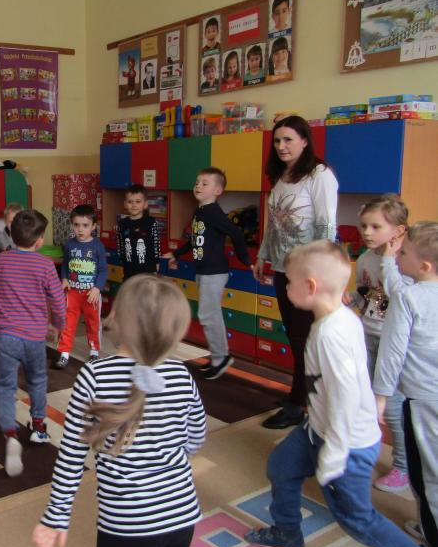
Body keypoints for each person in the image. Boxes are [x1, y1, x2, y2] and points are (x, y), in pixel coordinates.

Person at [244, 241, 438, 547]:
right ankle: (287, 531)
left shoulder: (331, 334)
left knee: (359, 521)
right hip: (318, 428)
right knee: (281, 467)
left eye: (289, 281)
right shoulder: (336, 319)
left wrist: (333, 455)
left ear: (310, 286)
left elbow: (346, 400)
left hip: (346, 444)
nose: (285, 287)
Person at [33, 275, 205, 547]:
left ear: (118, 319)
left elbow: (72, 453)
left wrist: (57, 514)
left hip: (126, 522)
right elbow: (195, 438)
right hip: (181, 513)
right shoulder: (181, 373)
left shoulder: (94, 375)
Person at [252, 115, 338, 429]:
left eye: (288, 139)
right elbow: (273, 223)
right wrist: (262, 256)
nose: (281, 146)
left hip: (307, 272)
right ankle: (300, 393)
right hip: (282, 267)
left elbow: (326, 225)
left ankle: (298, 403)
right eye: (277, 140)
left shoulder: (319, 174)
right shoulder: (281, 175)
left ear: (304, 141)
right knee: (294, 334)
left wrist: (320, 267)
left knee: (304, 339)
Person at [0, 210, 65, 477]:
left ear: (11, 234)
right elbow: (58, 302)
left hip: (7, 336)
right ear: (39, 240)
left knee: (5, 385)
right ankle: (38, 427)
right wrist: (57, 326)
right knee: (37, 380)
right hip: (35, 337)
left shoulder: (0, 261)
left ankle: (10, 433)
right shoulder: (45, 265)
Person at [375, 221, 438, 547]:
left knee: (426, 471)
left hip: (422, 400)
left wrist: (381, 397)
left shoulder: (408, 297)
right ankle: (430, 527)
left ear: (424, 266)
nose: (397, 256)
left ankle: (434, 543)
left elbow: (392, 353)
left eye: (404, 253)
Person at [346, 195, 411, 493]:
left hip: (392, 343)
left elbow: (400, 298)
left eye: (375, 227)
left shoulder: (405, 262)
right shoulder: (365, 258)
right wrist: (352, 299)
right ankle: (366, 449)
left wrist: (388, 260)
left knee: (393, 406)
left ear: (398, 231)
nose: (367, 233)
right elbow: (367, 292)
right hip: (368, 334)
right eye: (364, 226)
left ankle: (404, 466)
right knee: (366, 398)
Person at [163, 168, 251, 379]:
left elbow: (236, 233)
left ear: (217, 190)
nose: (198, 186)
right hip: (204, 271)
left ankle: (221, 357)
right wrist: (176, 253)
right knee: (209, 314)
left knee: (208, 314)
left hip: (214, 272)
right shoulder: (201, 212)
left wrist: (245, 260)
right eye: (197, 183)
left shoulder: (213, 212)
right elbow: (194, 240)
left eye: (205, 183)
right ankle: (219, 355)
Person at [55, 204, 107, 370]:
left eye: (85, 225)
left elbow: (103, 270)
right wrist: (64, 278)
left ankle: (94, 351)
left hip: (91, 294)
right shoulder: (69, 245)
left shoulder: (98, 246)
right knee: (68, 323)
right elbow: (65, 264)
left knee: (93, 323)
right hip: (72, 293)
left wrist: (97, 288)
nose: (80, 229)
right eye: (76, 225)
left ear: (93, 226)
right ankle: (64, 353)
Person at [117, 184, 162, 280]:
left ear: (145, 204)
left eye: (138, 201)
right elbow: (120, 245)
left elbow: (156, 244)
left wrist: (157, 262)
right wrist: (122, 261)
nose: (134, 205)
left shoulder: (152, 222)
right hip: (129, 269)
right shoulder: (122, 223)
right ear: (125, 204)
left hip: (148, 269)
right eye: (130, 202)